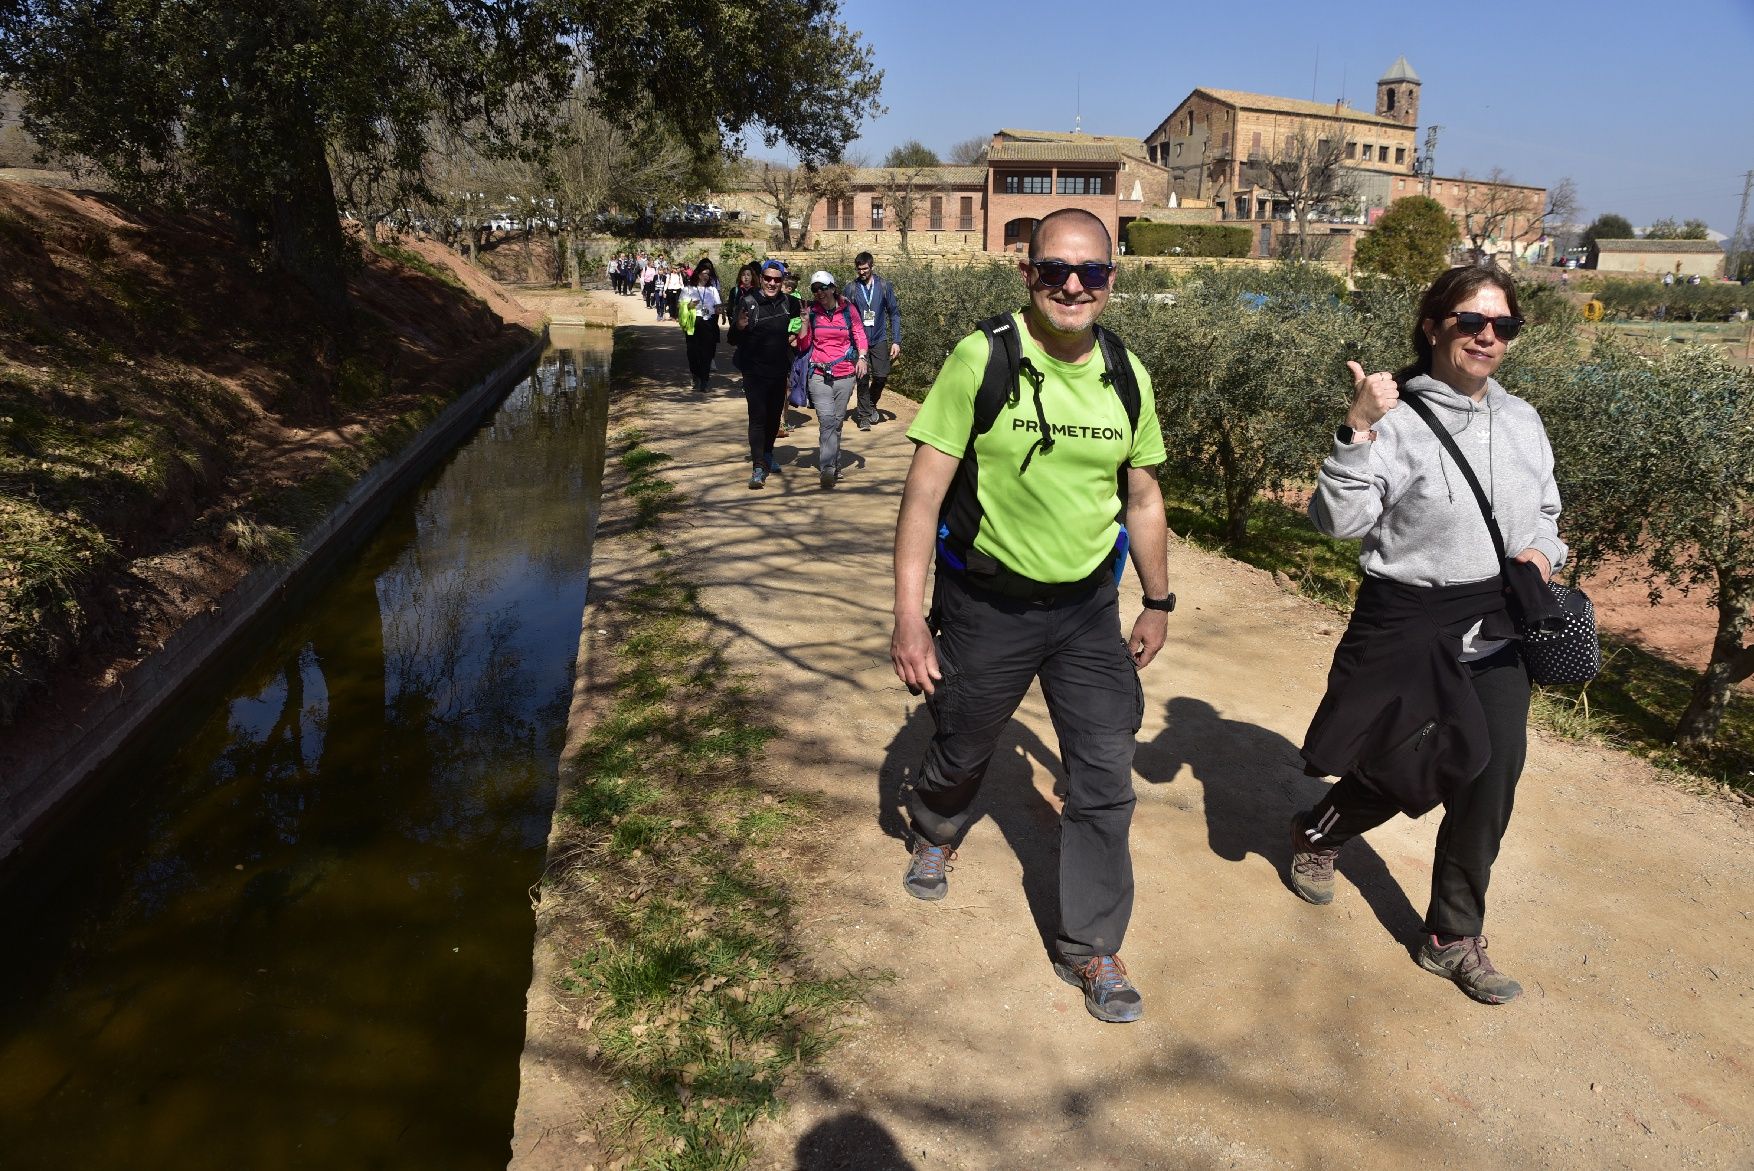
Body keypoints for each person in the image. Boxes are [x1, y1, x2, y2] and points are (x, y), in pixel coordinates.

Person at [888, 208, 1172, 1024]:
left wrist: (1156, 599)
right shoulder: (983, 358)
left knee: (1103, 771)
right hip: (987, 605)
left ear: (1114, 280)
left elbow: (1143, 496)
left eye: (1092, 272)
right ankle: (936, 823)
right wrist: (911, 617)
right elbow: (922, 498)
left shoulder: (1127, 372)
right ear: (1028, 274)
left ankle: (1091, 946)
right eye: (1056, 270)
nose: (1074, 285)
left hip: (1087, 609)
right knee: (964, 739)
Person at [1290, 264, 1567, 1006]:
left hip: (1495, 624)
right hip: (1409, 616)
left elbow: (1546, 512)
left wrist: (1545, 551)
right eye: (1470, 322)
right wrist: (1354, 428)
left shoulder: (1523, 420)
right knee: (1403, 761)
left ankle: (1451, 934)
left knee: (1488, 773)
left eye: (1502, 326)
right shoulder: (1396, 418)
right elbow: (1338, 522)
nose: (1486, 337)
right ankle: (1321, 829)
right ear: (1433, 326)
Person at [732, 260, 803, 488]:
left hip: (778, 369)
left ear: (783, 281)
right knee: (758, 418)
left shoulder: (789, 303)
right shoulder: (748, 302)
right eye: (768, 278)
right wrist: (740, 326)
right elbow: (732, 339)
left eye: (777, 280)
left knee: (773, 419)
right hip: (754, 371)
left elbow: (815, 308)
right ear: (761, 278)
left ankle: (768, 453)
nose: (772, 283)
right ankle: (758, 466)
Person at [796, 270, 869, 489]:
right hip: (818, 374)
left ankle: (835, 464)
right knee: (827, 420)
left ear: (833, 288)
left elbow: (859, 334)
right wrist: (805, 323)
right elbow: (803, 345)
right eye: (815, 289)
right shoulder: (812, 313)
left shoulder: (849, 310)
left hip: (845, 374)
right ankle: (827, 469)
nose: (820, 293)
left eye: (824, 288)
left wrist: (862, 357)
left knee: (836, 422)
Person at [847, 251, 901, 431]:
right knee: (862, 377)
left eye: (865, 269)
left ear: (872, 266)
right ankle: (863, 416)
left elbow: (894, 313)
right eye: (859, 269)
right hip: (858, 340)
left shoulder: (884, 286)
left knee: (881, 375)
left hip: (879, 338)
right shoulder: (852, 288)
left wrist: (896, 340)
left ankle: (870, 402)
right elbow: (845, 316)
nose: (861, 272)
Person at [682, 266, 722, 392]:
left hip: (707, 322)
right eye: (705, 273)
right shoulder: (688, 289)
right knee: (692, 351)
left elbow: (718, 305)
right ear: (698, 275)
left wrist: (719, 309)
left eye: (708, 274)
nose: (707, 276)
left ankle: (704, 380)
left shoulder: (712, 290)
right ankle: (696, 374)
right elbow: (681, 305)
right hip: (693, 321)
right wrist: (690, 305)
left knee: (707, 352)